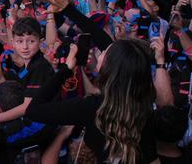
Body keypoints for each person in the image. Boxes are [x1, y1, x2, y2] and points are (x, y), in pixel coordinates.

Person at [25, 37, 169, 163]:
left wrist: (66, 69)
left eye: (105, 52)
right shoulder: (144, 109)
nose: (100, 54)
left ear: (110, 67)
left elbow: (33, 110)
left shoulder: (91, 107)